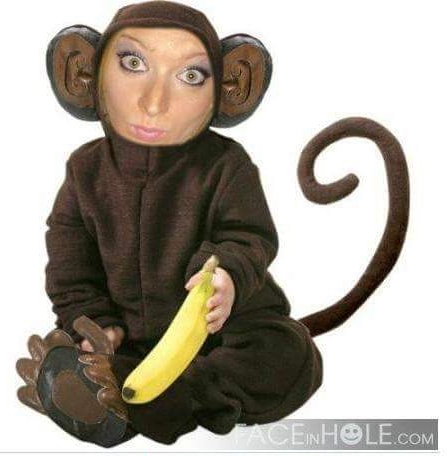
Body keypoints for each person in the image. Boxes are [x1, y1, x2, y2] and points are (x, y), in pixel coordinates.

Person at [17, 0, 324, 446]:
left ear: (232, 87)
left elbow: (249, 236)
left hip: (222, 330)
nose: (155, 102)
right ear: (83, 74)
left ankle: (168, 398)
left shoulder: (227, 165)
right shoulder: (84, 170)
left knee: (287, 353)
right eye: (133, 64)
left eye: (191, 76)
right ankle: (107, 390)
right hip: (129, 337)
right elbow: (69, 262)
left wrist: (226, 275)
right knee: (90, 355)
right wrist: (98, 323)